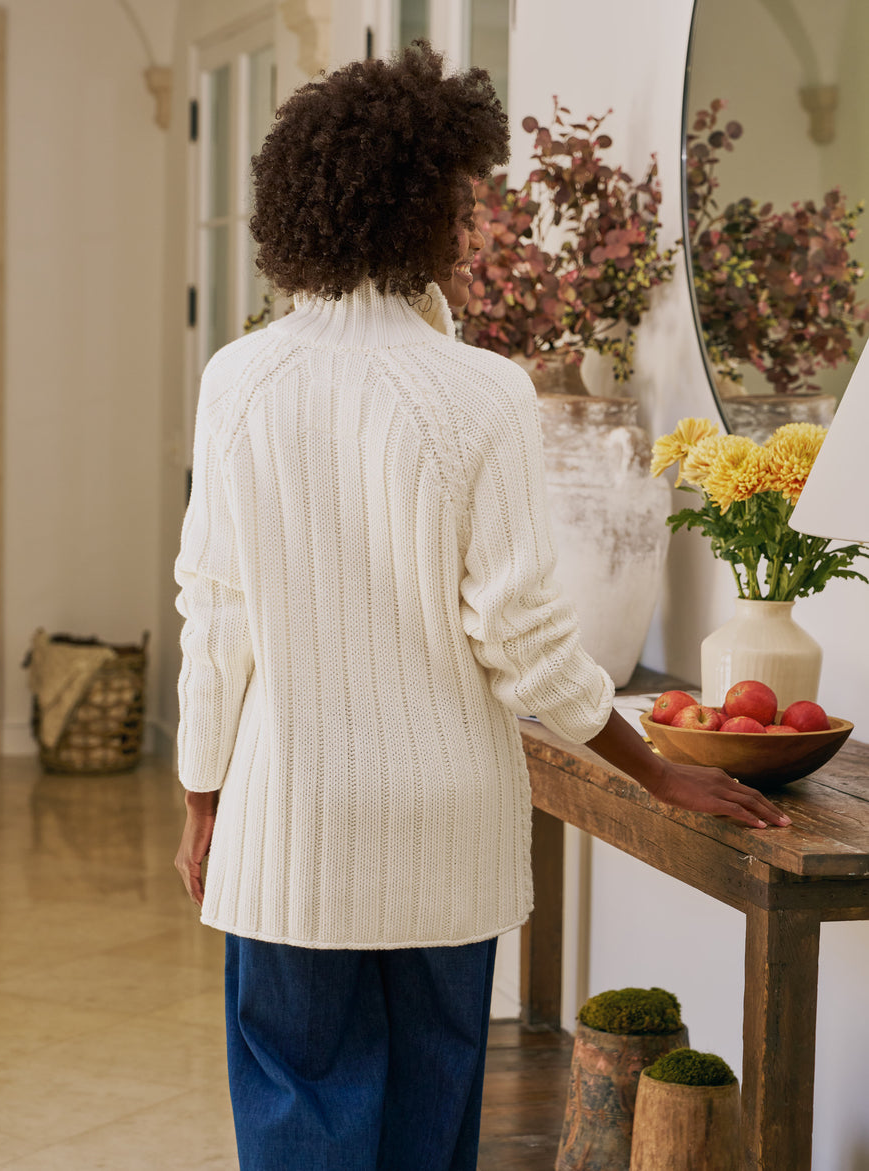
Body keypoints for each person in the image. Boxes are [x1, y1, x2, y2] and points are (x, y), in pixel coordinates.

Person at [173, 42, 790, 1171]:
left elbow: (214, 619)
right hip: (445, 834)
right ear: (425, 211)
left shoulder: (239, 383)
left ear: (294, 207)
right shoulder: (486, 393)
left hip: (292, 821)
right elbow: (526, 642)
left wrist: (204, 794)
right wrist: (650, 766)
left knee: (300, 1101)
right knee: (430, 1118)